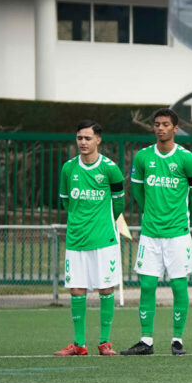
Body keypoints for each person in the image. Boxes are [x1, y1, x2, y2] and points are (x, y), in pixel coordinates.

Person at [122, 108, 192, 356]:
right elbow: (137, 191)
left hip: (178, 233)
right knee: (147, 284)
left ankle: (177, 340)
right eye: (156, 124)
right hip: (150, 233)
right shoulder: (143, 157)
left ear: (175, 128)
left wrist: (184, 215)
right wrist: (150, 213)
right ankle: (146, 340)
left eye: (165, 124)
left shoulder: (187, 158)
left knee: (179, 286)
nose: (160, 128)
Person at [54, 120, 126, 356]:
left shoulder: (110, 169)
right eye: (79, 138)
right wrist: (79, 220)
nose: (83, 142)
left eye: (87, 138)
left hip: (103, 239)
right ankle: (79, 344)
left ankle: (105, 343)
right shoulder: (68, 169)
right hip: (76, 239)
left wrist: (102, 222)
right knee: (76, 289)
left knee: (105, 288)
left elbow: (119, 203)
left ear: (98, 140)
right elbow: (66, 200)